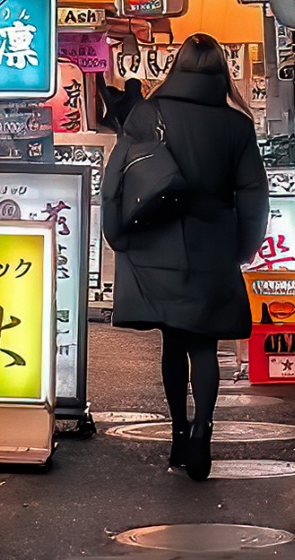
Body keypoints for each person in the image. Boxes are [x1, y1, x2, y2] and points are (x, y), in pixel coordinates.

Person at [101, 34, 269, 481]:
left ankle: (177, 433)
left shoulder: (148, 113)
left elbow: (116, 179)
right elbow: (253, 193)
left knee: (173, 342)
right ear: (221, 73)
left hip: (158, 239)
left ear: (177, 67)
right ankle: (203, 432)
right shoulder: (237, 126)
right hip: (214, 243)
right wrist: (245, 246)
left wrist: (116, 232)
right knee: (205, 345)